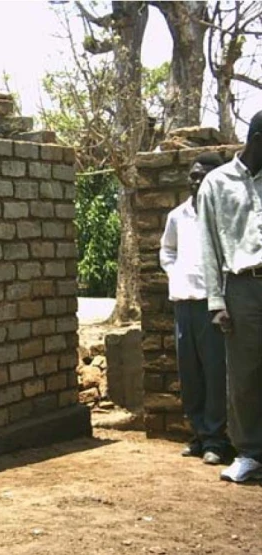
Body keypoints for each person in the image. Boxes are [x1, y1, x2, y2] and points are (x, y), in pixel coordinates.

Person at [197, 110, 262, 482]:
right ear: (256, 141)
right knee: (245, 374)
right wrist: (216, 302)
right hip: (242, 287)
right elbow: (208, 245)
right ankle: (250, 452)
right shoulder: (217, 183)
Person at [160, 152, 230, 465]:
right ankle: (199, 435)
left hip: (212, 305)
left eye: (204, 176)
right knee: (190, 375)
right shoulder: (177, 215)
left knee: (215, 374)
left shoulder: (224, 214)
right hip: (183, 305)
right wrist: (176, 275)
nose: (197, 181)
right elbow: (167, 251)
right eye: (193, 175)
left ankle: (216, 440)